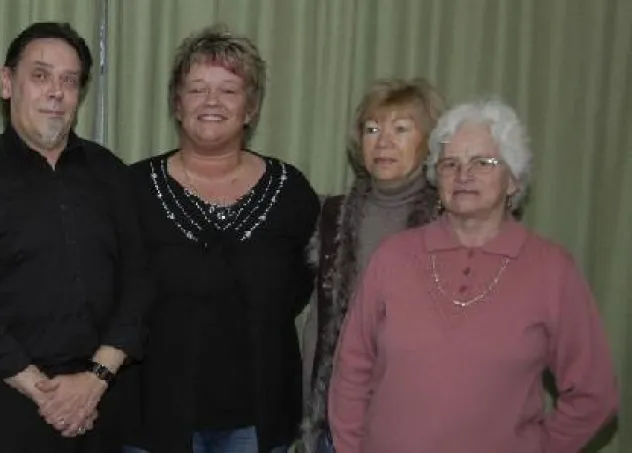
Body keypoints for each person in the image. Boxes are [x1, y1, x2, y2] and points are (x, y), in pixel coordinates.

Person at [328, 99, 619, 452]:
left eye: (483, 162)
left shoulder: (552, 269)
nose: (464, 175)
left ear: (513, 179)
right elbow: (351, 371)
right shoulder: (394, 256)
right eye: (451, 163)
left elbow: (594, 395)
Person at [0, 22, 153, 453]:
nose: (56, 92)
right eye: (40, 75)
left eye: (69, 81)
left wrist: (93, 381)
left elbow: (140, 282)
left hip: (105, 407)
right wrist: (43, 392)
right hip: (5, 411)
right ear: (6, 82)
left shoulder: (111, 174)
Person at [121, 24, 319, 453]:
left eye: (229, 90)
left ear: (251, 108)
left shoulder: (292, 192)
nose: (211, 102)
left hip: (257, 419)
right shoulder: (131, 189)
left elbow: (303, 286)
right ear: (177, 104)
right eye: (197, 89)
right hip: (151, 418)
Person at [296, 78, 444, 452]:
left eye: (400, 129)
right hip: (334, 421)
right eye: (372, 129)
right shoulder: (333, 215)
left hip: (419, 424)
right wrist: (308, 417)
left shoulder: (450, 221)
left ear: (429, 141)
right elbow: (318, 323)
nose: (383, 142)